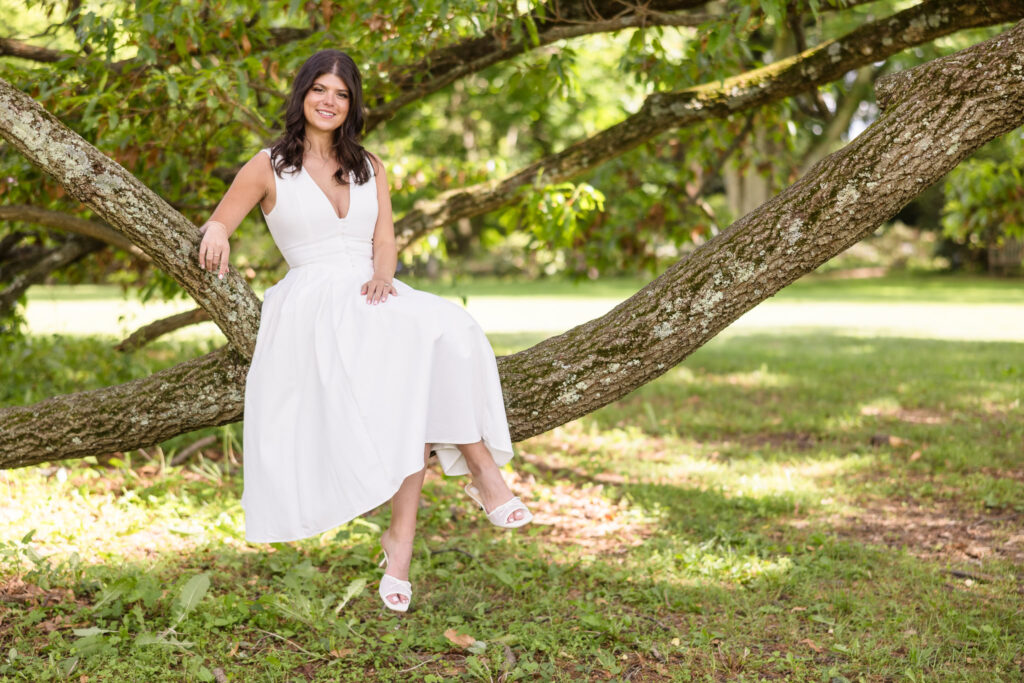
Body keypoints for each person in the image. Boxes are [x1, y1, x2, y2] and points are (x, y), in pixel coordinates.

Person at [196, 49, 532, 612]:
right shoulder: (268, 165)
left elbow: (384, 239)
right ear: (302, 95)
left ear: (352, 105)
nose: (329, 101)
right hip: (311, 297)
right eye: (320, 90)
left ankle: (414, 530)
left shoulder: (369, 165)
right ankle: (478, 476)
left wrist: (382, 277)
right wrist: (216, 232)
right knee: (414, 367)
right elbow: (221, 218)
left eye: (342, 93)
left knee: (453, 328)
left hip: (371, 289)